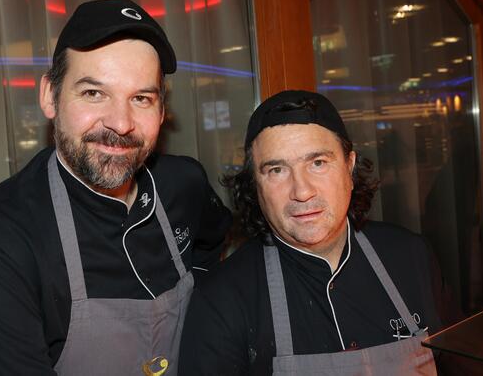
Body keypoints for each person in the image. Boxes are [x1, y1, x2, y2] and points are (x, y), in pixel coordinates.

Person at [0, 0, 231, 376]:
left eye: (141, 98)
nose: (120, 123)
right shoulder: (0, 235)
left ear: (162, 111)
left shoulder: (183, 183)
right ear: (50, 96)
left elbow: (213, 245)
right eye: (93, 93)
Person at [179, 90, 447, 375]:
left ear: (349, 167)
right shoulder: (221, 299)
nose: (302, 191)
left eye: (317, 163)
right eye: (277, 170)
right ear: (255, 186)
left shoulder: (411, 255)